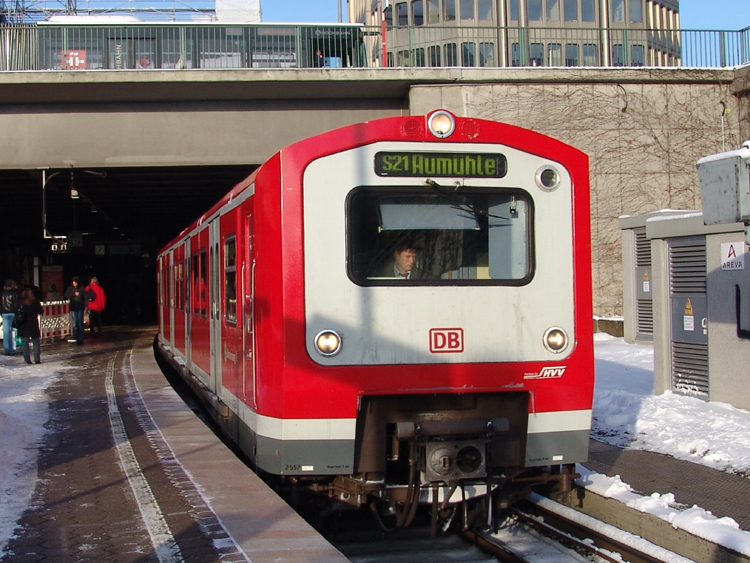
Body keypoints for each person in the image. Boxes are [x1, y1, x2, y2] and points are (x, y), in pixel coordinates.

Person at [16, 286, 43, 364]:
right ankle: (37, 359)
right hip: (33, 323)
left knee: (25, 343)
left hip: (23, 324)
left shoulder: (20, 302)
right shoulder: (35, 302)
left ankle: (27, 359)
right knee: (36, 342)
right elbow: (41, 311)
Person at [64, 277, 85, 345]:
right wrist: (73, 294)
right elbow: (66, 295)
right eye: (73, 282)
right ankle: (77, 337)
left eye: (75, 282)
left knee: (80, 323)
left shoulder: (81, 289)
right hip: (73, 308)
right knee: (76, 323)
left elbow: (84, 297)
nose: (74, 283)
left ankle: (80, 338)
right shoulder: (70, 289)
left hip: (80, 308)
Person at [1, 279, 19, 355]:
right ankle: (11, 349)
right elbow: (16, 304)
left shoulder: (2, 293)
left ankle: (6, 348)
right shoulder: (14, 293)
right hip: (12, 313)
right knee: (12, 331)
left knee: (6, 332)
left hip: (4, 313)